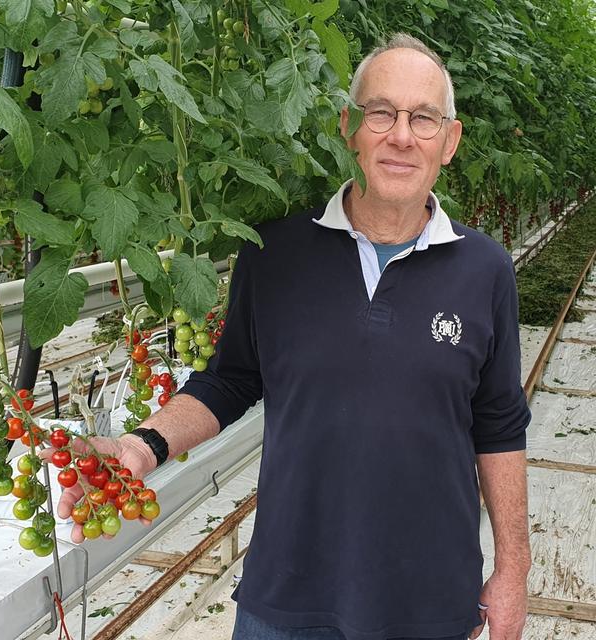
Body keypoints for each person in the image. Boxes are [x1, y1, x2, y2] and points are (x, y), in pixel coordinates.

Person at [48, 33, 532, 640]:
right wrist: (145, 444)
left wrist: (514, 569)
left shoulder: (485, 269)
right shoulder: (273, 252)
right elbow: (231, 379)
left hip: (429, 599)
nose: (401, 136)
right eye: (381, 113)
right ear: (348, 126)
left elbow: (499, 422)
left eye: (424, 118)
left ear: (450, 141)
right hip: (287, 599)